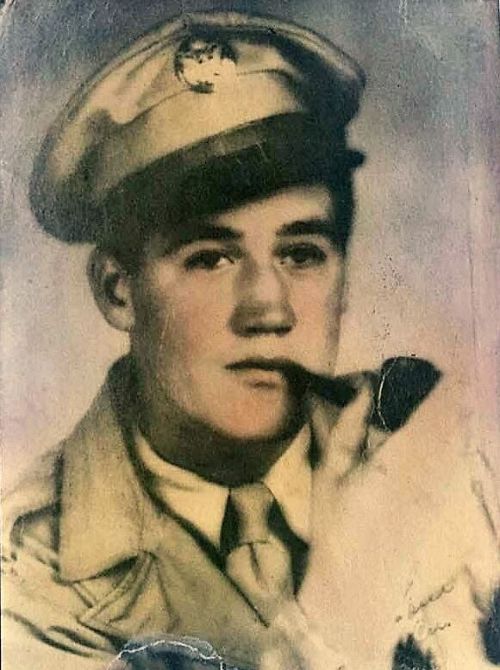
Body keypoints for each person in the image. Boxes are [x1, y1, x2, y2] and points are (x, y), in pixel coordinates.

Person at [1, 10, 498, 670]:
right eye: (210, 258)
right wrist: (342, 604)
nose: (269, 308)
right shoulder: (27, 573)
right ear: (118, 291)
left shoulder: (438, 453)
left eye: (302, 253)